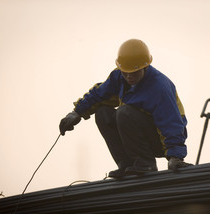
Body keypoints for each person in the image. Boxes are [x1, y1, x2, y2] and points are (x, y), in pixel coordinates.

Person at [59, 39, 192, 178]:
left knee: (124, 113)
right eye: (125, 72)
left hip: (161, 141)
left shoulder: (159, 88)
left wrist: (175, 157)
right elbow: (98, 95)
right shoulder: (118, 77)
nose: (129, 76)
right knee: (102, 113)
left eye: (134, 73)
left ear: (144, 68)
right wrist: (76, 112)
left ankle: (145, 164)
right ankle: (126, 164)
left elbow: (172, 123)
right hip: (135, 134)